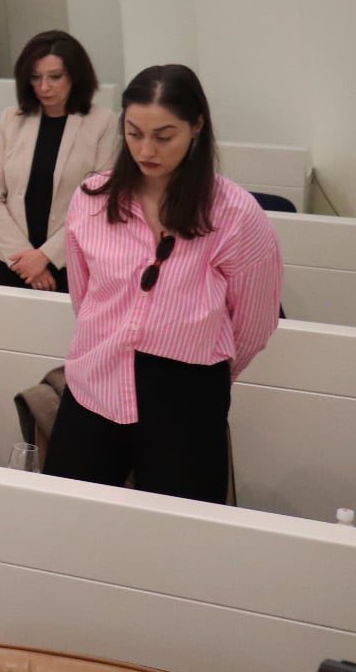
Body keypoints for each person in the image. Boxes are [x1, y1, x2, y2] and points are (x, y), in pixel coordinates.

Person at [44, 65, 283, 503]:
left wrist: (204, 376)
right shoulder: (93, 200)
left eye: (164, 136)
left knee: (181, 532)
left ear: (196, 127)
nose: (146, 150)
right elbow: (85, 297)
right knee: (68, 516)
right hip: (95, 382)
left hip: (187, 395)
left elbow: (254, 323)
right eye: (134, 133)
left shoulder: (235, 214)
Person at [0, 31, 118, 293]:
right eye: (35, 77)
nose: (44, 87)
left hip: (69, 260)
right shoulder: (11, 118)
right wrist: (24, 258)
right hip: (11, 259)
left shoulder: (103, 122)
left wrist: (45, 257)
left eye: (55, 77)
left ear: (75, 76)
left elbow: (98, 203)